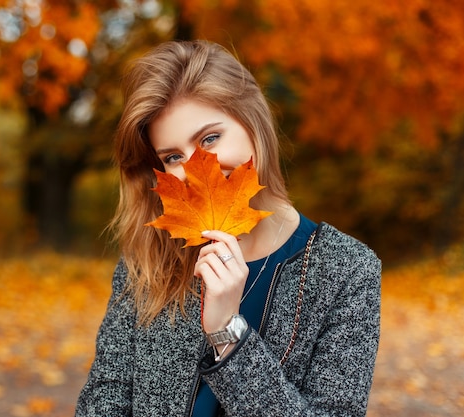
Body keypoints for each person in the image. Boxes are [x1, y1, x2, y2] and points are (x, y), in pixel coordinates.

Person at [75, 40, 381, 417]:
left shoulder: (346, 270)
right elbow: (103, 401)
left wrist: (228, 333)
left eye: (209, 138)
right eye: (173, 157)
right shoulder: (150, 257)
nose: (196, 170)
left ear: (253, 123)